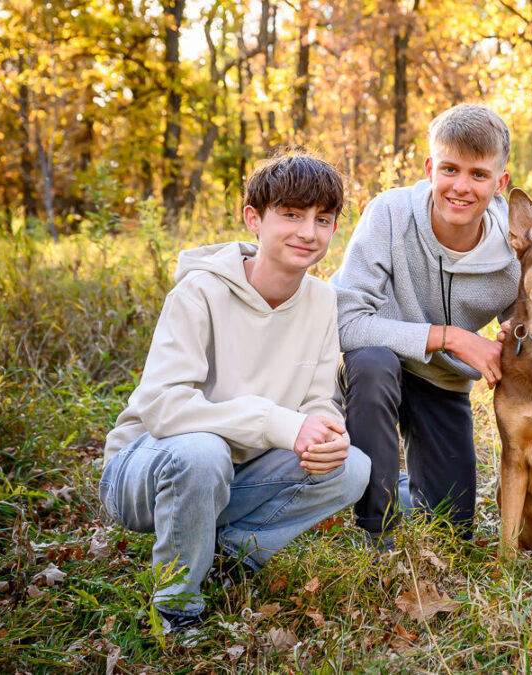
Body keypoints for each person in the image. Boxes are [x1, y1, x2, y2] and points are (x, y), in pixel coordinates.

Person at [99, 151, 370, 632]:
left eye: (322, 219)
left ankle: (227, 558)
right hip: (145, 470)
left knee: (352, 467)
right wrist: (280, 424)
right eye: (291, 215)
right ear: (254, 219)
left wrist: (327, 428)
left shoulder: (322, 300)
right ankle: (176, 608)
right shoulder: (199, 292)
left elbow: (315, 399)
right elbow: (163, 407)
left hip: (237, 474)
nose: (309, 232)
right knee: (204, 453)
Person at [330, 104, 517, 548]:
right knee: (374, 364)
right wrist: (449, 337)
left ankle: (390, 484)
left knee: (452, 530)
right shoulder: (390, 214)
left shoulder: (516, 253)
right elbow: (343, 321)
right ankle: (377, 531)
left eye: (478, 174)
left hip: (442, 383)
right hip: (374, 367)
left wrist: (516, 340)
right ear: (431, 167)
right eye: (450, 169)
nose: (461, 186)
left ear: (499, 183)